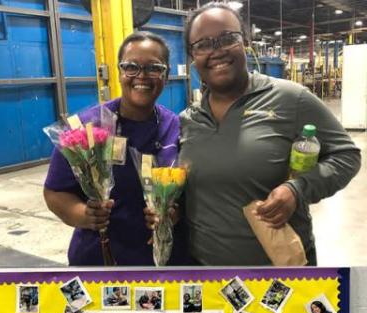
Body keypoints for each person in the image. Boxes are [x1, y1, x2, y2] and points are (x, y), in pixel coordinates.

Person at [178, 2, 360, 265]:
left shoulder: (291, 99)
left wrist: (298, 190)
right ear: (192, 57)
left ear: (246, 42)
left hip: (279, 276)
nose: (216, 52)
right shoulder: (188, 120)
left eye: (227, 39)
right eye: (203, 45)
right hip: (207, 278)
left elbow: (346, 155)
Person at [44, 32, 183, 265]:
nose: (142, 76)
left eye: (154, 68)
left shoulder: (176, 127)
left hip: (161, 259)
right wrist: (85, 216)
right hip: (99, 258)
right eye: (131, 66)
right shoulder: (87, 127)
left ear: (166, 75)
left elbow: (191, 194)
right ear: (119, 72)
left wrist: (172, 214)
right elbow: (54, 192)